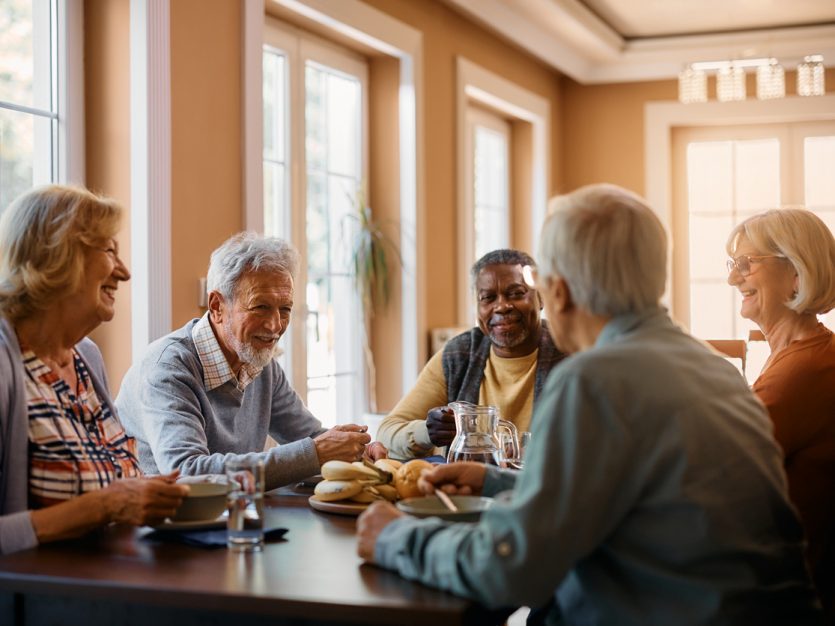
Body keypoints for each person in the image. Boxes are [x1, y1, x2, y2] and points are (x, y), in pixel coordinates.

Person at [357, 184, 822, 625]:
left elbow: (513, 568)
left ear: (556, 292)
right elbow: (643, 500)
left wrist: (395, 537)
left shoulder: (593, 382)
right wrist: (496, 480)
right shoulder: (716, 369)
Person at [0, 185, 188, 555]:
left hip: (108, 584)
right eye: (109, 251)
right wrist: (105, 506)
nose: (124, 272)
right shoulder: (6, 362)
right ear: (58, 256)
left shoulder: (86, 356)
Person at [117, 232, 382, 492]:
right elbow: (187, 473)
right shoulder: (168, 369)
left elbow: (310, 438)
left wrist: (358, 449)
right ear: (217, 306)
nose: (275, 325)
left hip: (230, 519)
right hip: (155, 528)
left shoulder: (259, 362)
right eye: (260, 307)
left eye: (285, 309)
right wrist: (316, 452)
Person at [726, 208, 835, 618]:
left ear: (796, 274)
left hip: (780, 601)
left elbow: (721, 474)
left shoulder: (802, 370)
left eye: (746, 265)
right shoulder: (799, 355)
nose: (733, 279)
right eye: (733, 265)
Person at [376, 249, 564, 460]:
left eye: (516, 293)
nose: (501, 306)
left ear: (540, 298)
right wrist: (427, 432)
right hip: (466, 490)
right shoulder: (459, 355)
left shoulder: (569, 351)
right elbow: (386, 435)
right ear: (477, 307)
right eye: (488, 298)